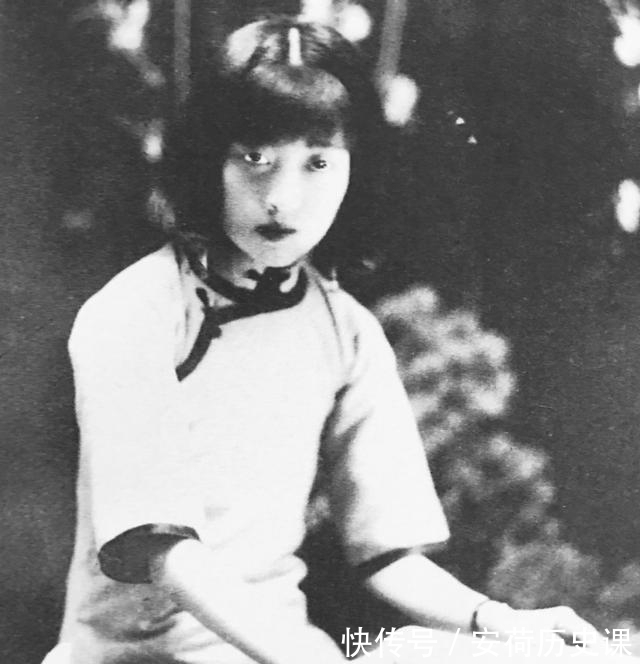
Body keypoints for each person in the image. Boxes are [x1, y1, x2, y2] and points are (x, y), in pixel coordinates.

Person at [44, 15, 635, 664]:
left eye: (318, 162)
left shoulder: (345, 331)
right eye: (255, 158)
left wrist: (499, 622)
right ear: (208, 158)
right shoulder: (133, 313)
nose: (283, 197)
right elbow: (166, 554)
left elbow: (387, 557)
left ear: (358, 169)